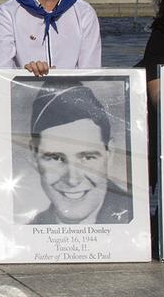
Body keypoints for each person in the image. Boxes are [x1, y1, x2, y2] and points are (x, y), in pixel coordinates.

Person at [27, 82, 132, 225]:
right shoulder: (25, 235)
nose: (72, 180)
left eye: (87, 157)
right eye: (56, 158)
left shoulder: (136, 217)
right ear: (34, 156)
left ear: (110, 153)